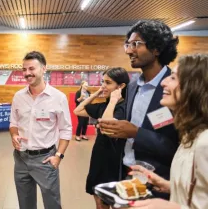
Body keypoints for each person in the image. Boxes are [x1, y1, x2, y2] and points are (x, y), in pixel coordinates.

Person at [98, 20, 180, 199]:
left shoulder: (176, 88)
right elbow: (129, 129)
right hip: (127, 172)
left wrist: (136, 133)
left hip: (159, 181)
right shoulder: (134, 86)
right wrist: (116, 129)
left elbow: (178, 146)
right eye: (128, 44)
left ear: (156, 49)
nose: (128, 50)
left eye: (136, 44)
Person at [128, 54, 208, 209]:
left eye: (173, 78)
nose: (163, 82)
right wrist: (167, 185)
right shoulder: (190, 136)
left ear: (195, 87)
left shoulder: (204, 142)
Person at [9, 51, 72, 209]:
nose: (27, 73)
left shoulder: (58, 98)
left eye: (31, 68)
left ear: (44, 69)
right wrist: (14, 135)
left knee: (52, 204)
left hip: (45, 160)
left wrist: (58, 156)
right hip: (21, 158)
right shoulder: (18, 96)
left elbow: (66, 129)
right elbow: (13, 122)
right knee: (25, 203)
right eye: (24, 69)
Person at [74, 68, 129, 209]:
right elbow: (78, 110)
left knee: (115, 202)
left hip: (116, 162)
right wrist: (97, 93)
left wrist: (113, 100)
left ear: (121, 86)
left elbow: (107, 125)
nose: (103, 85)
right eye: (102, 82)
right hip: (99, 157)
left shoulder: (124, 108)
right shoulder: (103, 105)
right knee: (99, 203)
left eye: (108, 83)